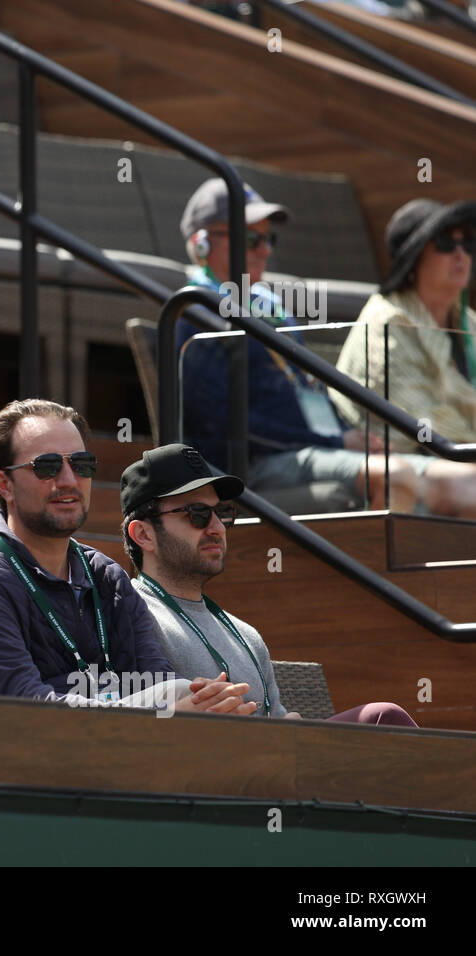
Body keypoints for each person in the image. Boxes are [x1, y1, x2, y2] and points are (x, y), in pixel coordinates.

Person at [0, 398, 256, 713]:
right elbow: (26, 711)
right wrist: (159, 712)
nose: (69, 480)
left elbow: (159, 684)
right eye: (47, 466)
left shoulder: (106, 577)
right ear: (5, 484)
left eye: (81, 464)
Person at [178, 177, 476, 517]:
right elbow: (223, 425)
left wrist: (352, 436)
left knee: (468, 483)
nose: (266, 250)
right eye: (251, 239)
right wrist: (337, 442)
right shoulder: (197, 312)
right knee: (399, 478)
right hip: (255, 466)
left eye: (268, 238)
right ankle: (379, 570)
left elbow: (309, 390)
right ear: (201, 244)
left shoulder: (272, 309)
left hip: (314, 450)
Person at [121, 441, 418, 726]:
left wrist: (289, 727)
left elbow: (276, 726)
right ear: (144, 535)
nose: (216, 528)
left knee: (382, 718)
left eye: (222, 513)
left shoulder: (247, 635)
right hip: (199, 766)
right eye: (196, 514)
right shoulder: (129, 614)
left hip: (273, 764)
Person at [334, 200, 476, 447]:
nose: (460, 254)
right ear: (414, 259)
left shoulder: (468, 321)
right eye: (445, 243)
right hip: (411, 468)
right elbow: (431, 432)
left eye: (467, 242)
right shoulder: (388, 324)